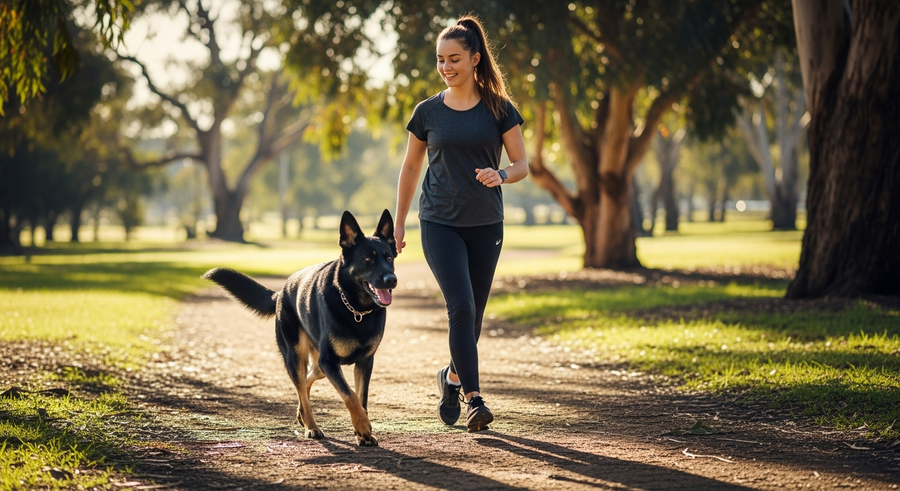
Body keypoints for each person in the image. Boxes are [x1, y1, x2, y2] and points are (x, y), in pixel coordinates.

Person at [394, 14, 528, 433]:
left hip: (486, 224)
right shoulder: (428, 112)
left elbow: (523, 164)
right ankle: (475, 400)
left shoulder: (499, 108)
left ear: (474, 59)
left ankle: (451, 378)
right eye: (439, 60)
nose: (446, 67)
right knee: (462, 306)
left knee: (473, 318)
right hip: (439, 222)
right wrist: (398, 223)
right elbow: (411, 168)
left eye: (454, 59)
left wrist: (501, 174)